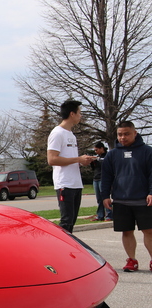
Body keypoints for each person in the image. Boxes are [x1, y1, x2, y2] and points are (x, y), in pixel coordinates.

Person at [101, 121, 152, 272]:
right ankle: (132, 260)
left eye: (126, 134)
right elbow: (106, 177)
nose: (123, 137)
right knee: (126, 231)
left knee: (149, 231)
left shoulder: (147, 151)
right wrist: (105, 196)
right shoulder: (112, 154)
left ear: (135, 133)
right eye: (120, 134)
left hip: (143, 200)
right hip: (121, 200)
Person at [47, 100, 96, 233]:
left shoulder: (71, 135)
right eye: (79, 113)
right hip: (65, 184)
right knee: (66, 222)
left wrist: (82, 161)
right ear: (72, 114)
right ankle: (59, 252)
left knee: (71, 222)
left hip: (76, 184)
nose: (81, 116)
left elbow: (70, 159)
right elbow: (52, 159)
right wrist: (78, 159)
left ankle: (69, 252)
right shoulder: (57, 133)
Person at [90, 142, 112, 221]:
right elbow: (94, 168)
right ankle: (100, 215)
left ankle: (109, 215)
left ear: (102, 148)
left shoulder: (107, 156)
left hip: (103, 179)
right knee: (99, 199)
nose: (96, 152)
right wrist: (92, 162)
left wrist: (97, 159)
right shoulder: (97, 157)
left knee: (105, 197)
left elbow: (106, 163)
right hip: (96, 178)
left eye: (97, 150)